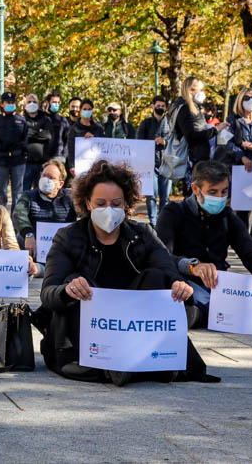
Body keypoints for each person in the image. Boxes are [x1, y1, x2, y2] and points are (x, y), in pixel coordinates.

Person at [38, 160, 201, 385]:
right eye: (101, 203)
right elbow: (48, 293)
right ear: (87, 203)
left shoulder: (143, 233)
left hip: (133, 325)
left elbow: (167, 272)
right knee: (73, 280)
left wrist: (179, 286)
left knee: (155, 277)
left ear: (126, 204)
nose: (109, 210)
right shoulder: (67, 237)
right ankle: (118, 365)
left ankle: (135, 362)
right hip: (88, 331)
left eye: (116, 203)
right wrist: (67, 291)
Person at [157, 160, 252, 330]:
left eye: (224, 192)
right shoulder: (173, 213)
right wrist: (193, 267)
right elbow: (161, 256)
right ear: (195, 189)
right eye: (212, 192)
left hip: (222, 290)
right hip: (188, 284)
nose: (219, 198)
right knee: (173, 286)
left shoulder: (228, 217)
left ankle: (211, 316)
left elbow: (250, 252)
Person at [12, 158, 77, 258]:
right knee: (19, 238)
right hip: (35, 247)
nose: (46, 179)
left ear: (60, 184)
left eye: (51, 177)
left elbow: (85, 213)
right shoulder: (29, 196)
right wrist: (28, 234)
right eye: (44, 175)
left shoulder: (70, 197)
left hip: (64, 247)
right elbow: (18, 215)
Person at [168, 77, 228, 177]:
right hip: (192, 160)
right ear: (190, 90)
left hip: (197, 159)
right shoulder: (185, 108)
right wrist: (216, 130)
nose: (202, 93)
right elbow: (192, 136)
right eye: (200, 90)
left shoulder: (190, 106)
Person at [0, 91, 27, 211]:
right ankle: (1, 220)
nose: (10, 104)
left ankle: (15, 222)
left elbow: (25, 141)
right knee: (1, 193)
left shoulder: (21, 121)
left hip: (18, 160)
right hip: (1, 160)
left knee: (18, 193)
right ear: (2, 104)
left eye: (12, 102)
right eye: (7, 102)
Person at [136, 96, 172, 226]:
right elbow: (139, 143)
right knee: (151, 195)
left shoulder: (171, 123)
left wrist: (165, 142)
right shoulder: (145, 123)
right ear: (152, 106)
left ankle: (163, 221)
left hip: (167, 164)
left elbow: (176, 142)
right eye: (158, 105)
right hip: (150, 165)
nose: (160, 108)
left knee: (165, 197)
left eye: (163, 106)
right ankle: (152, 221)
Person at [22, 93, 54, 191]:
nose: (32, 103)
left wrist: (31, 133)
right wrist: (39, 132)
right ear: (25, 105)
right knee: (25, 191)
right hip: (25, 162)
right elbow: (22, 136)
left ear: (39, 104)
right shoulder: (21, 119)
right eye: (29, 102)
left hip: (42, 162)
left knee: (41, 190)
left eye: (34, 101)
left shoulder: (45, 119)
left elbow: (48, 135)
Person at [65, 98, 103, 177]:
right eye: (85, 109)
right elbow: (71, 148)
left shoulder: (99, 128)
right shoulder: (74, 128)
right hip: (79, 166)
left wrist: (94, 138)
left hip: (95, 167)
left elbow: (103, 146)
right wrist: (72, 166)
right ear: (81, 110)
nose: (87, 111)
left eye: (89, 109)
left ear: (92, 110)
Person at [45, 92, 69, 160]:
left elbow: (68, 140)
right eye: (54, 102)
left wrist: (64, 156)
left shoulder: (62, 120)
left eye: (58, 102)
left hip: (58, 158)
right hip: (42, 159)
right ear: (47, 103)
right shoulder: (40, 118)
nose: (56, 104)